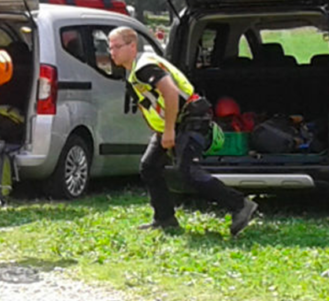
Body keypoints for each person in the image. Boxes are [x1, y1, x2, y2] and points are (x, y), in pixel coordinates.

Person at [107, 26, 258, 237]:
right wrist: (163, 130)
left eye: (116, 46)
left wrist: (168, 131)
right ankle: (164, 219)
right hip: (174, 123)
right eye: (110, 46)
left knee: (190, 173)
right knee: (150, 166)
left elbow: (169, 93)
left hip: (190, 118)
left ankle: (240, 205)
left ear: (132, 46)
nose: (111, 51)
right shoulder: (134, 69)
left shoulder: (144, 67)